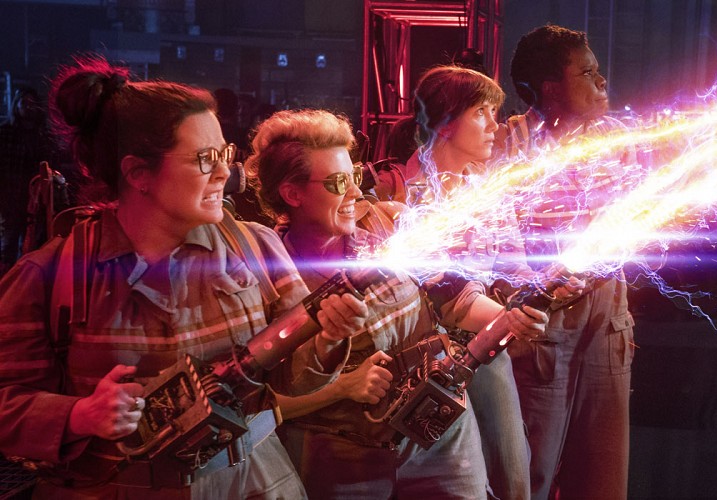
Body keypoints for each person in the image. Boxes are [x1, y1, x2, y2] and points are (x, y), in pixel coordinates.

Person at [0, 57, 361, 498]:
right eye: (205, 159)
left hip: (255, 483)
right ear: (138, 173)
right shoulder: (50, 275)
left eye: (225, 154)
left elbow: (295, 377)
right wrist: (79, 415)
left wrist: (327, 338)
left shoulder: (257, 249)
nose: (226, 172)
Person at [245, 108, 550, 499]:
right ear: (292, 193)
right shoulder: (268, 273)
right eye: (339, 182)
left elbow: (455, 302)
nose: (355, 193)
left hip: (440, 436)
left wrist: (511, 318)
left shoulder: (388, 224)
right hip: (343, 454)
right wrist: (341, 389)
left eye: (354, 176)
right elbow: (258, 402)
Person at [404, 65, 586, 500]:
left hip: (486, 345)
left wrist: (548, 286)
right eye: (481, 113)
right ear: (445, 123)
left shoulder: (486, 191)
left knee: (512, 471)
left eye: (494, 112)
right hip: (429, 356)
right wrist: (509, 319)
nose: (495, 125)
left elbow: (514, 269)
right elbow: (446, 297)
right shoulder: (407, 195)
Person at [502, 24, 636, 500]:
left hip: (608, 319)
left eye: (599, 71)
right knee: (531, 471)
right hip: (544, 323)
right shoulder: (512, 145)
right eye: (587, 72)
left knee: (602, 473)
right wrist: (539, 284)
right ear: (551, 88)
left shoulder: (615, 141)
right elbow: (498, 239)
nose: (602, 81)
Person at [0, 87, 55, 274]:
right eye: (24, 103)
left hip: (36, 197)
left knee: (32, 242)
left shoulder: (43, 136)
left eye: (32, 103)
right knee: (8, 242)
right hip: (12, 195)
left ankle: (25, 279)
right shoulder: (5, 132)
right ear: (16, 105)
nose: (28, 107)